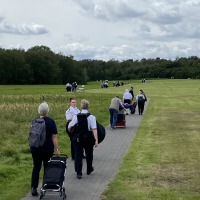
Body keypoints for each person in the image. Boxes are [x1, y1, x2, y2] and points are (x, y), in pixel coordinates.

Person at [30, 102, 60, 196]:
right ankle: (45, 186)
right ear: (47, 111)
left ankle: (34, 188)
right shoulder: (51, 122)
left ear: (39, 111)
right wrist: (57, 149)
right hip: (47, 149)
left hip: (35, 148)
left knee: (36, 167)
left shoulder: (34, 121)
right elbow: (54, 137)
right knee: (47, 168)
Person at [68, 99, 98, 179]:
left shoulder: (76, 116)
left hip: (78, 138)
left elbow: (69, 126)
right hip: (88, 138)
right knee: (89, 154)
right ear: (88, 107)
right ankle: (89, 169)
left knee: (78, 154)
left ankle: (79, 172)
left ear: (81, 106)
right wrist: (96, 140)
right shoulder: (92, 117)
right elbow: (94, 129)